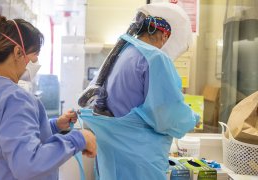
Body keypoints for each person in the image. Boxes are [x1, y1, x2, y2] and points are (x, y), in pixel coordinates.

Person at [0, 15, 96, 180]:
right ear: (18, 52)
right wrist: (79, 138)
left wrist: (55, 125)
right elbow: (29, 164)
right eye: (35, 54)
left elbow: (5, 137)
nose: (36, 60)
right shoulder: (16, 98)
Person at [79, 3, 199, 180]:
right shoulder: (155, 58)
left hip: (114, 158)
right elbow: (166, 115)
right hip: (139, 159)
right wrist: (191, 118)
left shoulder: (124, 53)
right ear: (164, 35)